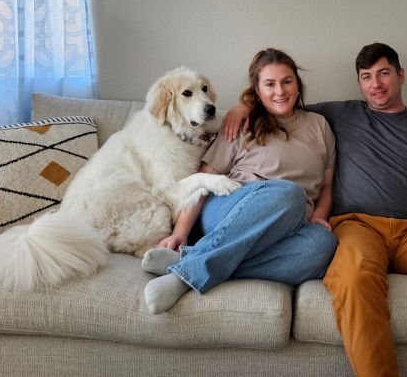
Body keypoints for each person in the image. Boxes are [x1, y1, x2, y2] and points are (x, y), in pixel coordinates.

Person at [221, 43, 407, 377]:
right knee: (353, 277)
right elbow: (280, 103)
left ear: (400, 75)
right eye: (366, 77)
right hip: (356, 225)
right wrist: (245, 105)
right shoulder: (339, 115)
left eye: (383, 73)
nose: (375, 84)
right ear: (359, 83)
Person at [141, 48, 338, 315]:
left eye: (287, 81)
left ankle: (188, 260)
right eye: (270, 84)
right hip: (231, 206)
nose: (280, 91)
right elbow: (206, 178)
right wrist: (180, 232)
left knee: (322, 246)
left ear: (297, 84)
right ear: (257, 90)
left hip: (290, 223)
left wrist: (320, 215)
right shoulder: (242, 122)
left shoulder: (320, 125)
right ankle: (185, 276)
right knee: (290, 193)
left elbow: (326, 186)